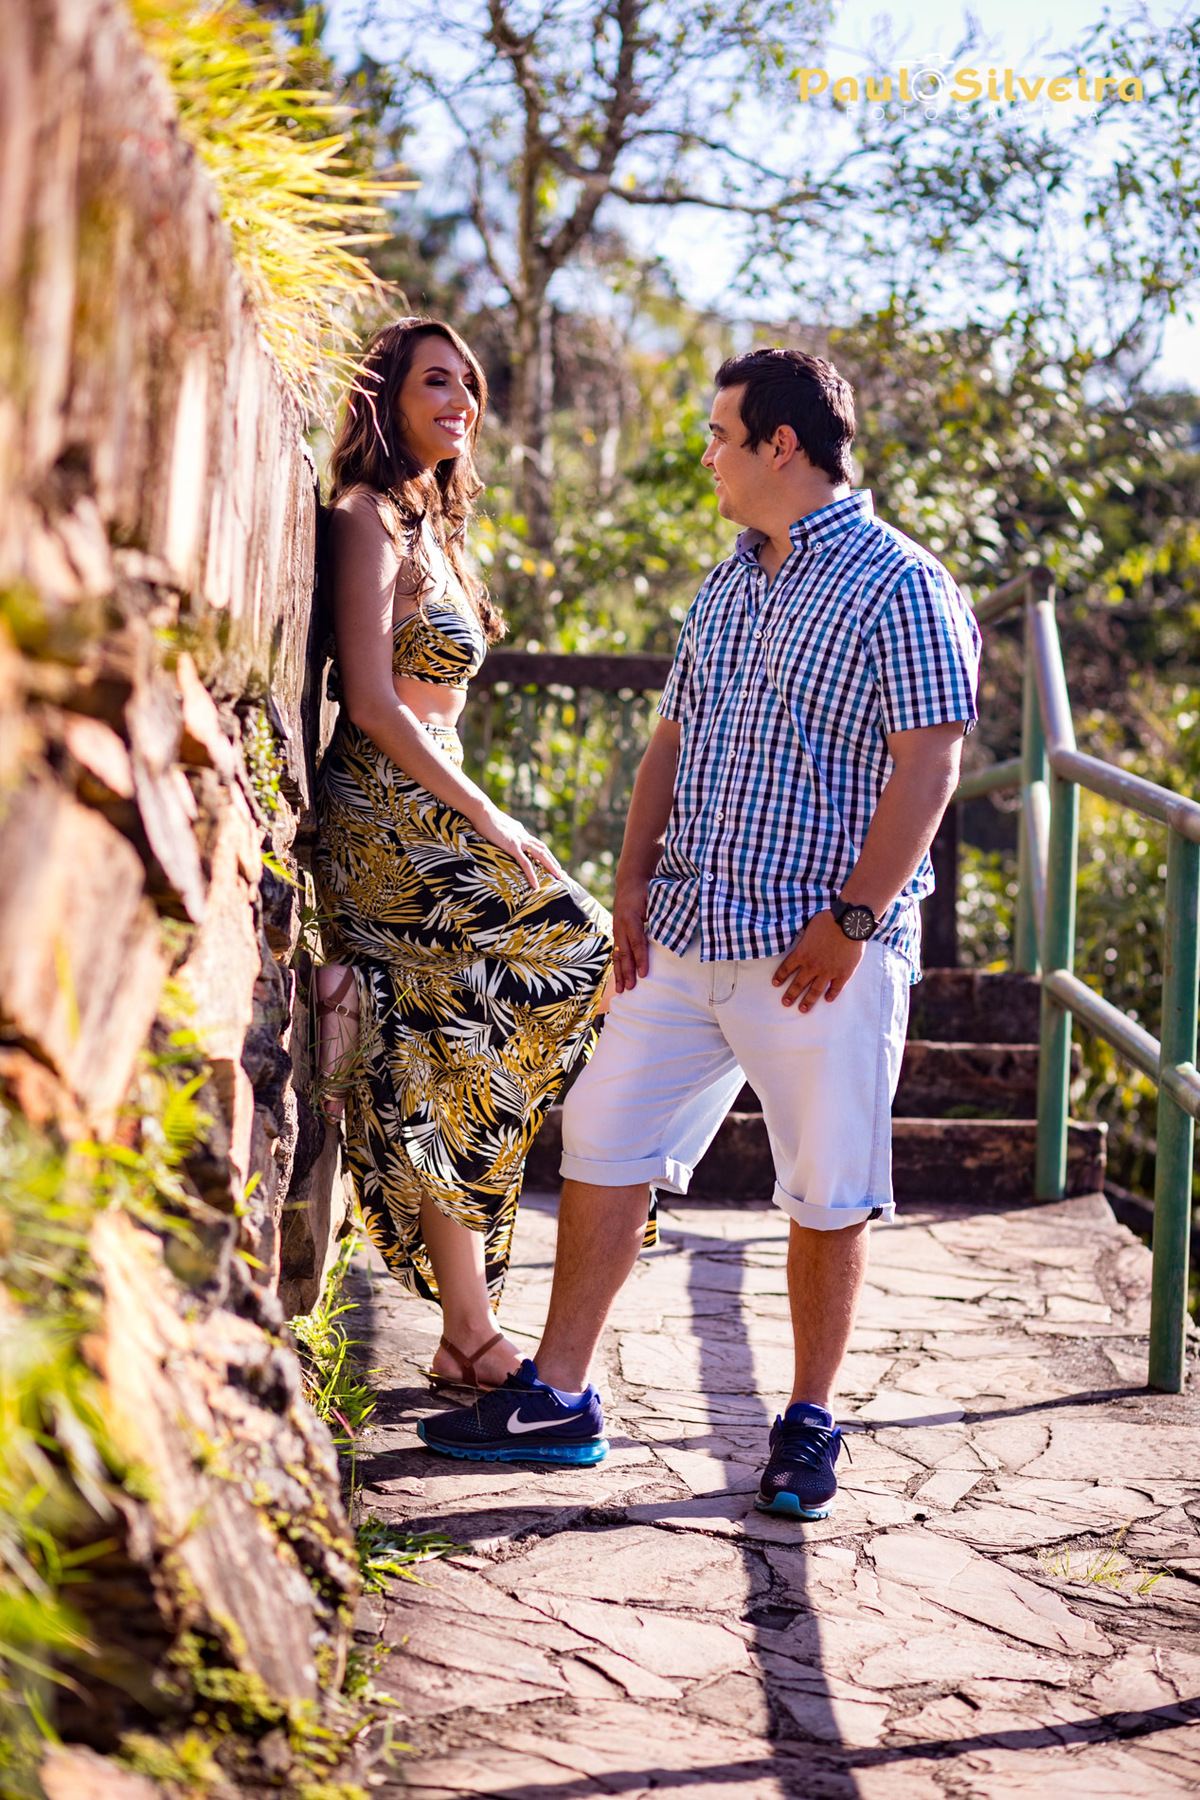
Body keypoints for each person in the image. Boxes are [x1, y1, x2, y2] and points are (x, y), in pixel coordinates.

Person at [418, 346, 981, 1515]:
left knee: (826, 1187)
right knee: (604, 1136)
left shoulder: (903, 582)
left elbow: (930, 764)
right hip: (683, 935)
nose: (709, 455)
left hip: (819, 955)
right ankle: (558, 1397)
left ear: (783, 444)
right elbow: (669, 742)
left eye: (723, 435)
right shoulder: (724, 585)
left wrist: (855, 917)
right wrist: (631, 886)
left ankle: (809, 1422)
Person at [312, 317, 613, 1395]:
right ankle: (470, 1297)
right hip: (386, 815)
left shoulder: (431, 523)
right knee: (584, 949)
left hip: (430, 799)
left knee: (454, 1060)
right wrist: (490, 817)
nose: (460, 402)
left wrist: (474, 805)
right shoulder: (364, 516)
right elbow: (372, 700)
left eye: (470, 385)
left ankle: (467, 1334)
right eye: (436, 381)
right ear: (386, 396)